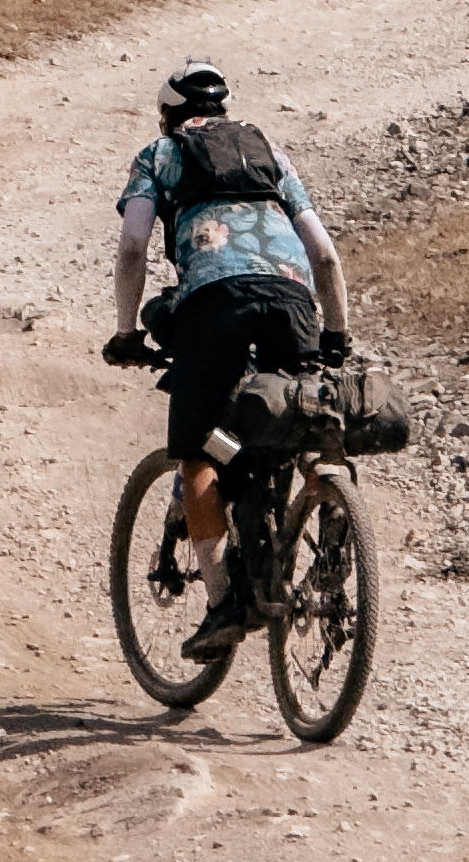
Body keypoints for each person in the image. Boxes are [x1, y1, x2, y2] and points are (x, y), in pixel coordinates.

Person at [102, 57, 350, 658]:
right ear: (225, 110)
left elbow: (134, 245)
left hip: (214, 303)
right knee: (300, 422)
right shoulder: (268, 152)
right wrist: (336, 334)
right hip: (292, 301)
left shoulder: (159, 155)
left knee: (198, 450)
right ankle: (328, 525)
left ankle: (223, 605)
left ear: (168, 115)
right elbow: (324, 253)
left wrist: (127, 332)